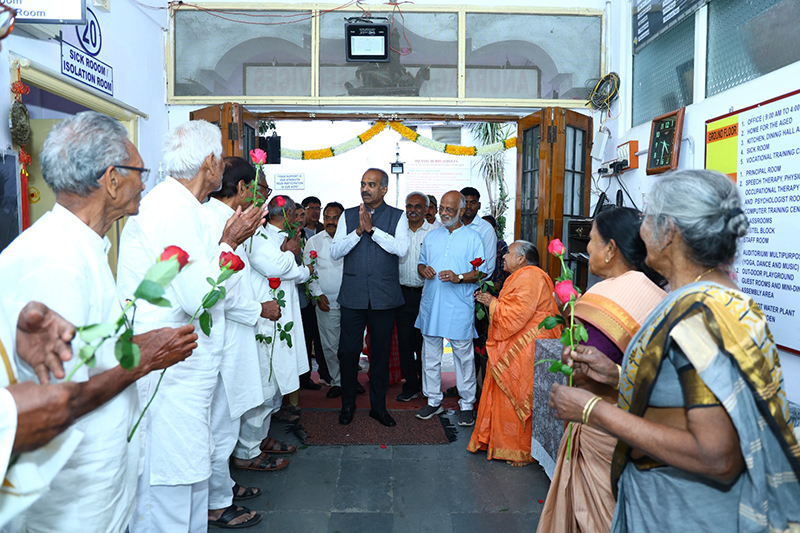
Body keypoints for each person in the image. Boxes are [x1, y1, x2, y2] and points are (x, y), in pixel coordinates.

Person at [549, 170, 800, 532]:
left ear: (669, 231)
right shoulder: (714, 299)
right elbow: (682, 397)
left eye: (647, 217)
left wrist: (592, 410)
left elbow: (716, 456)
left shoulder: (701, 315)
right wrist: (616, 375)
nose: (641, 229)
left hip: (687, 514)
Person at [0, 112, 198, 533]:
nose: (144, 184)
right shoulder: (56, 260)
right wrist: (143, 361)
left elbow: (85, 355)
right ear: (111, 180)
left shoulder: (82, 245)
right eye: (140, 173)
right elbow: (58, 398)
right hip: (71, 495)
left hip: (97, 475)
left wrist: (138, 345)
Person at [118, 119, 263, 533]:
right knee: (169, 488)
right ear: (210, 163)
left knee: (192, 478)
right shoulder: (169, 209)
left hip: (189, 370)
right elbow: (198, 296)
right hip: (168, 371)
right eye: (221, 160)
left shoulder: (188, 208)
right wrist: (230, 242)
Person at [536, 207, 667, 532]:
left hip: (601, 430)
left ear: (611, 249)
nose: (588, 248)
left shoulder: (605, 294)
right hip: (640, 430)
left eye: (592, 240)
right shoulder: (660, 297)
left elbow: (580, 366)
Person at [204, 157, 286, 528]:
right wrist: (259, 309)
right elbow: (215, 290)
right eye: (257, 188)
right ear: (241, 188)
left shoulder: (229, 221)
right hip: (222, 338)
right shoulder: (217, 224)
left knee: (228, 418)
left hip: (233, 334)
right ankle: (217, 503)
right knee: (220, 424)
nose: (260, 196)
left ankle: (222, 487)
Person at [468, 240, 562, 466]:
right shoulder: (523, 275)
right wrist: (493, 303)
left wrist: (492, 303)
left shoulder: (530, 276)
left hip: (528, 346)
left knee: (518, 394)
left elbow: (516, 315)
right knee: (506, 393)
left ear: (521, 258)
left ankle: (521, 450)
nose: (503, 256)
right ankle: (504, 444)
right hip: (520, 342)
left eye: (508, 253)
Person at [331, 168, 409, 427]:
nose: (365, 188)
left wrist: (373, 231)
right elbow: (335, 252)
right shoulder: (348, 215)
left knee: (380, 354)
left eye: (371, 184)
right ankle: (348, 404)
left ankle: (378, 407)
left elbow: (401, 249)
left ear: (384, 189)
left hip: (383, 297)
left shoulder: (398, 216)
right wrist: (357, 232)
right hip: (352, 296)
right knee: (348, 352)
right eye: (363, 184)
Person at [238, 189, 304, 473]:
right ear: (286, 214)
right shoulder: (257, 236)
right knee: (264, 385)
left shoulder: (279, 237)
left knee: (275, 384)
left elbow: (295, 273)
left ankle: (260, 439)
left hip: (280, 319)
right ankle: (247, 451)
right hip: (264, 322)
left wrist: (291, 258)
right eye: (294, 212)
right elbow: (277, 267)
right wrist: (291, 254)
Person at [415, 191, 486, 427]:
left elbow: (482, 272)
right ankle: (433, 400)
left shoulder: (473, 238)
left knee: (463, 357)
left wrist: (459, 277)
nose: (443, 213)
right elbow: (421, 263)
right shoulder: (432, 236)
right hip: (432, 303)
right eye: (442, 208)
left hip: (459, 304)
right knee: (430, 354)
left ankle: (467, 404)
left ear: (462, 210)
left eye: (449, 209)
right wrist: (423, 269)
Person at [395, 191, 433, 402]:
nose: (413, 210)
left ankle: (427, 385)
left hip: (427, 295)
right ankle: (410, 385)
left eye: (418, 206)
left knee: (426, 343)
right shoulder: (398, 232)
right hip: (402, 295)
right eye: (409, 206)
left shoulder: (435, 232)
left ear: (426, 209)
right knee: (405, 343)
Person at [305, 202, 345, 399]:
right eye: (327, 217)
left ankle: (350, 379)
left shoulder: (351, 239)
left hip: (351, 303)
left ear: (342, 219)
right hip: (326, 302)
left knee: (349, 345)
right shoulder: (314, 242)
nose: (331, 222)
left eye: (335, 218)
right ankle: (337, 381)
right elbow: (308, 272)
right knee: (330, 346)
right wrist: (317, 294)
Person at [296, 202, 329, 390]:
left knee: (319, 335)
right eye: (298, 215)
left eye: (302, 215)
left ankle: (325, 372)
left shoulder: (318, 233)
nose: (300, 218)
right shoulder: (289, 237)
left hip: (315, 295)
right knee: (304, 339)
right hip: (298, 296)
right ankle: (303, 376)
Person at [482, 215, 510, 291]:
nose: (485, 230)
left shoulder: (501, 246)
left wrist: (500, 282)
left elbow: (506, 266)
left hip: (496, 285)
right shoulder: (476, 244)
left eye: (488, 226)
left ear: (494, 228)